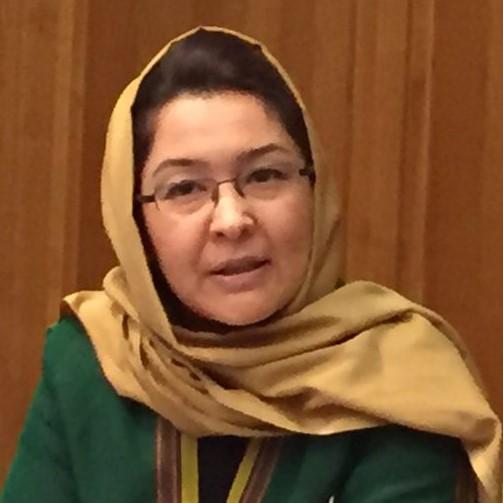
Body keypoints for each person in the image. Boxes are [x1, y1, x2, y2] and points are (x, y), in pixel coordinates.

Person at [1, 26, 501, 503]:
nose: (232, 220)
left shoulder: (397, 379)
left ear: (315, 190)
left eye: (264, 175)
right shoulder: (95, 360)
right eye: (184, 187)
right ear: (135, 222)